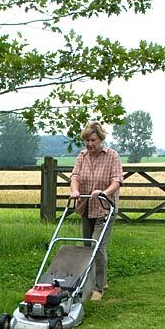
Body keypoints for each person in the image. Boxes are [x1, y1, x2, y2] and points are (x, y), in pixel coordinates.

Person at [69, 121, 123, 300]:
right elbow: (75, 176)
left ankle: (98, 288)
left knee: (97, 246)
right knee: (87, 247)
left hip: (105, 208)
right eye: (86, 140)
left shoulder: (112, 156)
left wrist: (104, 193)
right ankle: (92, 279)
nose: (89, 144)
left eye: (93, 140)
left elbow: (117, 180)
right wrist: (75, 191)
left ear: (100, 138)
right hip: (86, 207)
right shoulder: (82, 157)